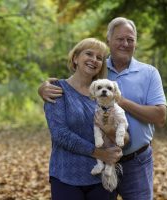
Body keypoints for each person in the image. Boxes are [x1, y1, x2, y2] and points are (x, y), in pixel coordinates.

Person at [39, 17, 167, 200]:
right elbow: (61, 124)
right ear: (109, 41)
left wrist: (119, 102)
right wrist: (42, 88)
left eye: (130, 39)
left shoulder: (147, 74)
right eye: (120, 38)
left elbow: (160, 117)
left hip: (135, 161)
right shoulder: (95, 73)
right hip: (85, 168)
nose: (125, 43)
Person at [44, 38, 125, 200]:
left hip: (101, 178)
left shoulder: (103, 94)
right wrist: (99, 153)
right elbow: (59, 134)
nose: (94, 60)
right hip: (66, 176)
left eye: (99, 58)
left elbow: (121, 130)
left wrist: (114, 139)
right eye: (89, 54)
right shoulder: (57, 89)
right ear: (75, 58)